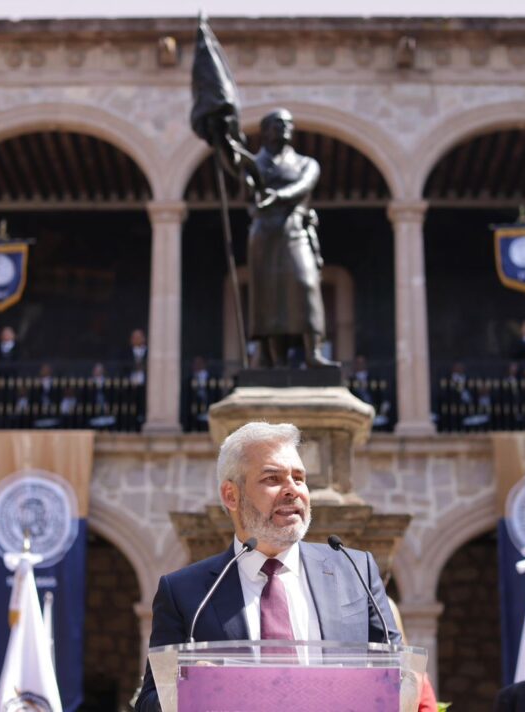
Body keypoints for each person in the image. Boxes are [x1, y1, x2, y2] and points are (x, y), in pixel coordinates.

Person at [133, 421, 400, 712]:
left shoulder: (356, 570)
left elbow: (400, 676)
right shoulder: (185, 593)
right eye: (273, 479)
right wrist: (189, 692)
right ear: (231, 495)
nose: (292, 490)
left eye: (299, 478)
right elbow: (149, 701)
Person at [224, 109, 336, 368]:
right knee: (269, 295)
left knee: (306, 283)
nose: (285, 127)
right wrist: (244, 177)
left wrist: (278, 196)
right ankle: (277, 358)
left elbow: (304, 186)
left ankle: (313, 352)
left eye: (288, 123)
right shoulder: (255, 164)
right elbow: (247, 195)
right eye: (278, 123)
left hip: (295, 229)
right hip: (264, 234)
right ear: (265, 131)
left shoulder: (306, 163)